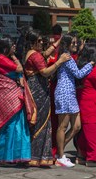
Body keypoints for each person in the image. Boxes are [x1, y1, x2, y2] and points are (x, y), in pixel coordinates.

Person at [0, 37, 35, 166]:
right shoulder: (0, 58)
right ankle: (2, 157)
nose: (14, 47)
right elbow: (19, 69)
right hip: (7, 96)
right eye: (12, 45)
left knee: (17, 126)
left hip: (12, 94)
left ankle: (14, 156)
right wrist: (14, 57)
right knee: (8, 126)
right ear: (5, 47)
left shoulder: (4, 58)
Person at [23, 30, 70, 167]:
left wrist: (57, 43)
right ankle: (36, 156)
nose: (42, 42)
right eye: (39, 41)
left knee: (40, 122)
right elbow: (44, 72)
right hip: (38, 91)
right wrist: (59, 62)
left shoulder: (32, 53)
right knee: (40, 123)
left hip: (37, 89)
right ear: (32, 43)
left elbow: (45, 54)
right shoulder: (35, 55)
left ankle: (38, 156)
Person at [54, 34, 94, 167]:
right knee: (63, 126)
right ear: (66, 44)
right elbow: (78, 74)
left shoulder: (67, 56)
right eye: (73, 43)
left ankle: (59, 150)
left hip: (69, 93)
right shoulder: (67, 57)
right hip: (64, 92)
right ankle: (60, 156)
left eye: (76, 43)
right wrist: (90, 65)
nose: (75, 45)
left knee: (77, 126)